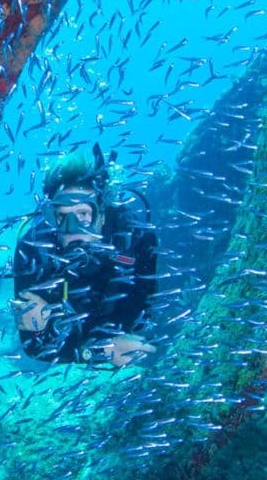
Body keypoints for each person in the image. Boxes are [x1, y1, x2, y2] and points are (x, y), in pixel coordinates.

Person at [13, 144, 158, 367]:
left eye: (83, 214)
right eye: (62, 217)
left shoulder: (134, 237)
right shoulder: (33, 250)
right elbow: (36, 347)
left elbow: (140, 320)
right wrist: (96, 351)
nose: (72, 230)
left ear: (102, 212)